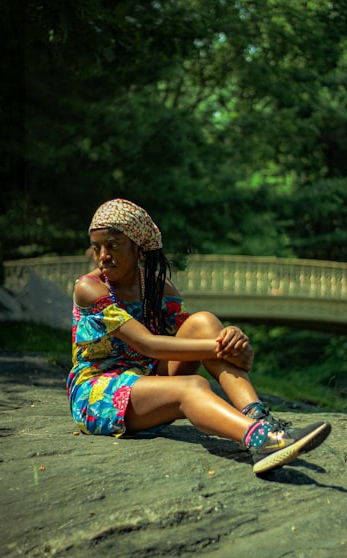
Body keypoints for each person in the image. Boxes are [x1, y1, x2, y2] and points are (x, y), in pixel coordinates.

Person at [68, 198, 330, 475]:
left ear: (138, 246)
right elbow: (149, 344)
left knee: (205, 321)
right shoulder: (90, 288)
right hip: (100, 391)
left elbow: (190, 337)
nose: (103, 256)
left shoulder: (159, 287)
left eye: (113, 245)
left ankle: (256, 415)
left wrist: (232, 340)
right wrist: (223, 349)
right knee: (192, 386)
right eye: (97, 248)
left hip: (148, 379)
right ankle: (262, 440)